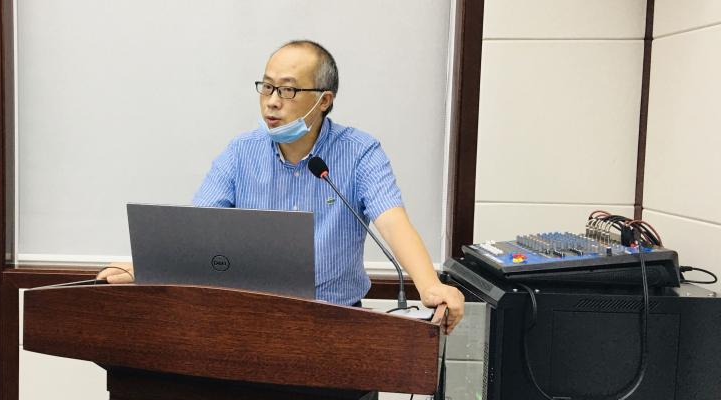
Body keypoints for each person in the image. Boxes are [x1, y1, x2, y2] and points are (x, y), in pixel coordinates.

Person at [100, 40, 465, 331]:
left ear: (324, 100)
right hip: (250, 323)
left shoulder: (359, 152)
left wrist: (428, 285)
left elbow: (392, 220)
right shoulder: (241, 152)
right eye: (267, 87)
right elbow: (198, 230)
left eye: (288, 90)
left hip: (336, 323)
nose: (272, 102)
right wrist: (147, 267)